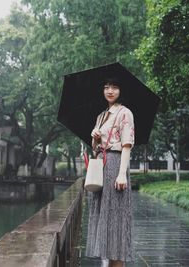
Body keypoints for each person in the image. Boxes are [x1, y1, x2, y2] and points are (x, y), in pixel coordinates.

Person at [85, 77, 135, 267]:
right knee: (104, 218)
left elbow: (127, 145)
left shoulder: (125, 113)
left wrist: (122, 173)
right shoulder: (101, 116)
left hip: (115, 164)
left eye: (114, 86)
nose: (110, 91)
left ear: (121, 90)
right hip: (102, 164)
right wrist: (95, 137)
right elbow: (96, 148)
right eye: (106, 87)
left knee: (116, 219)